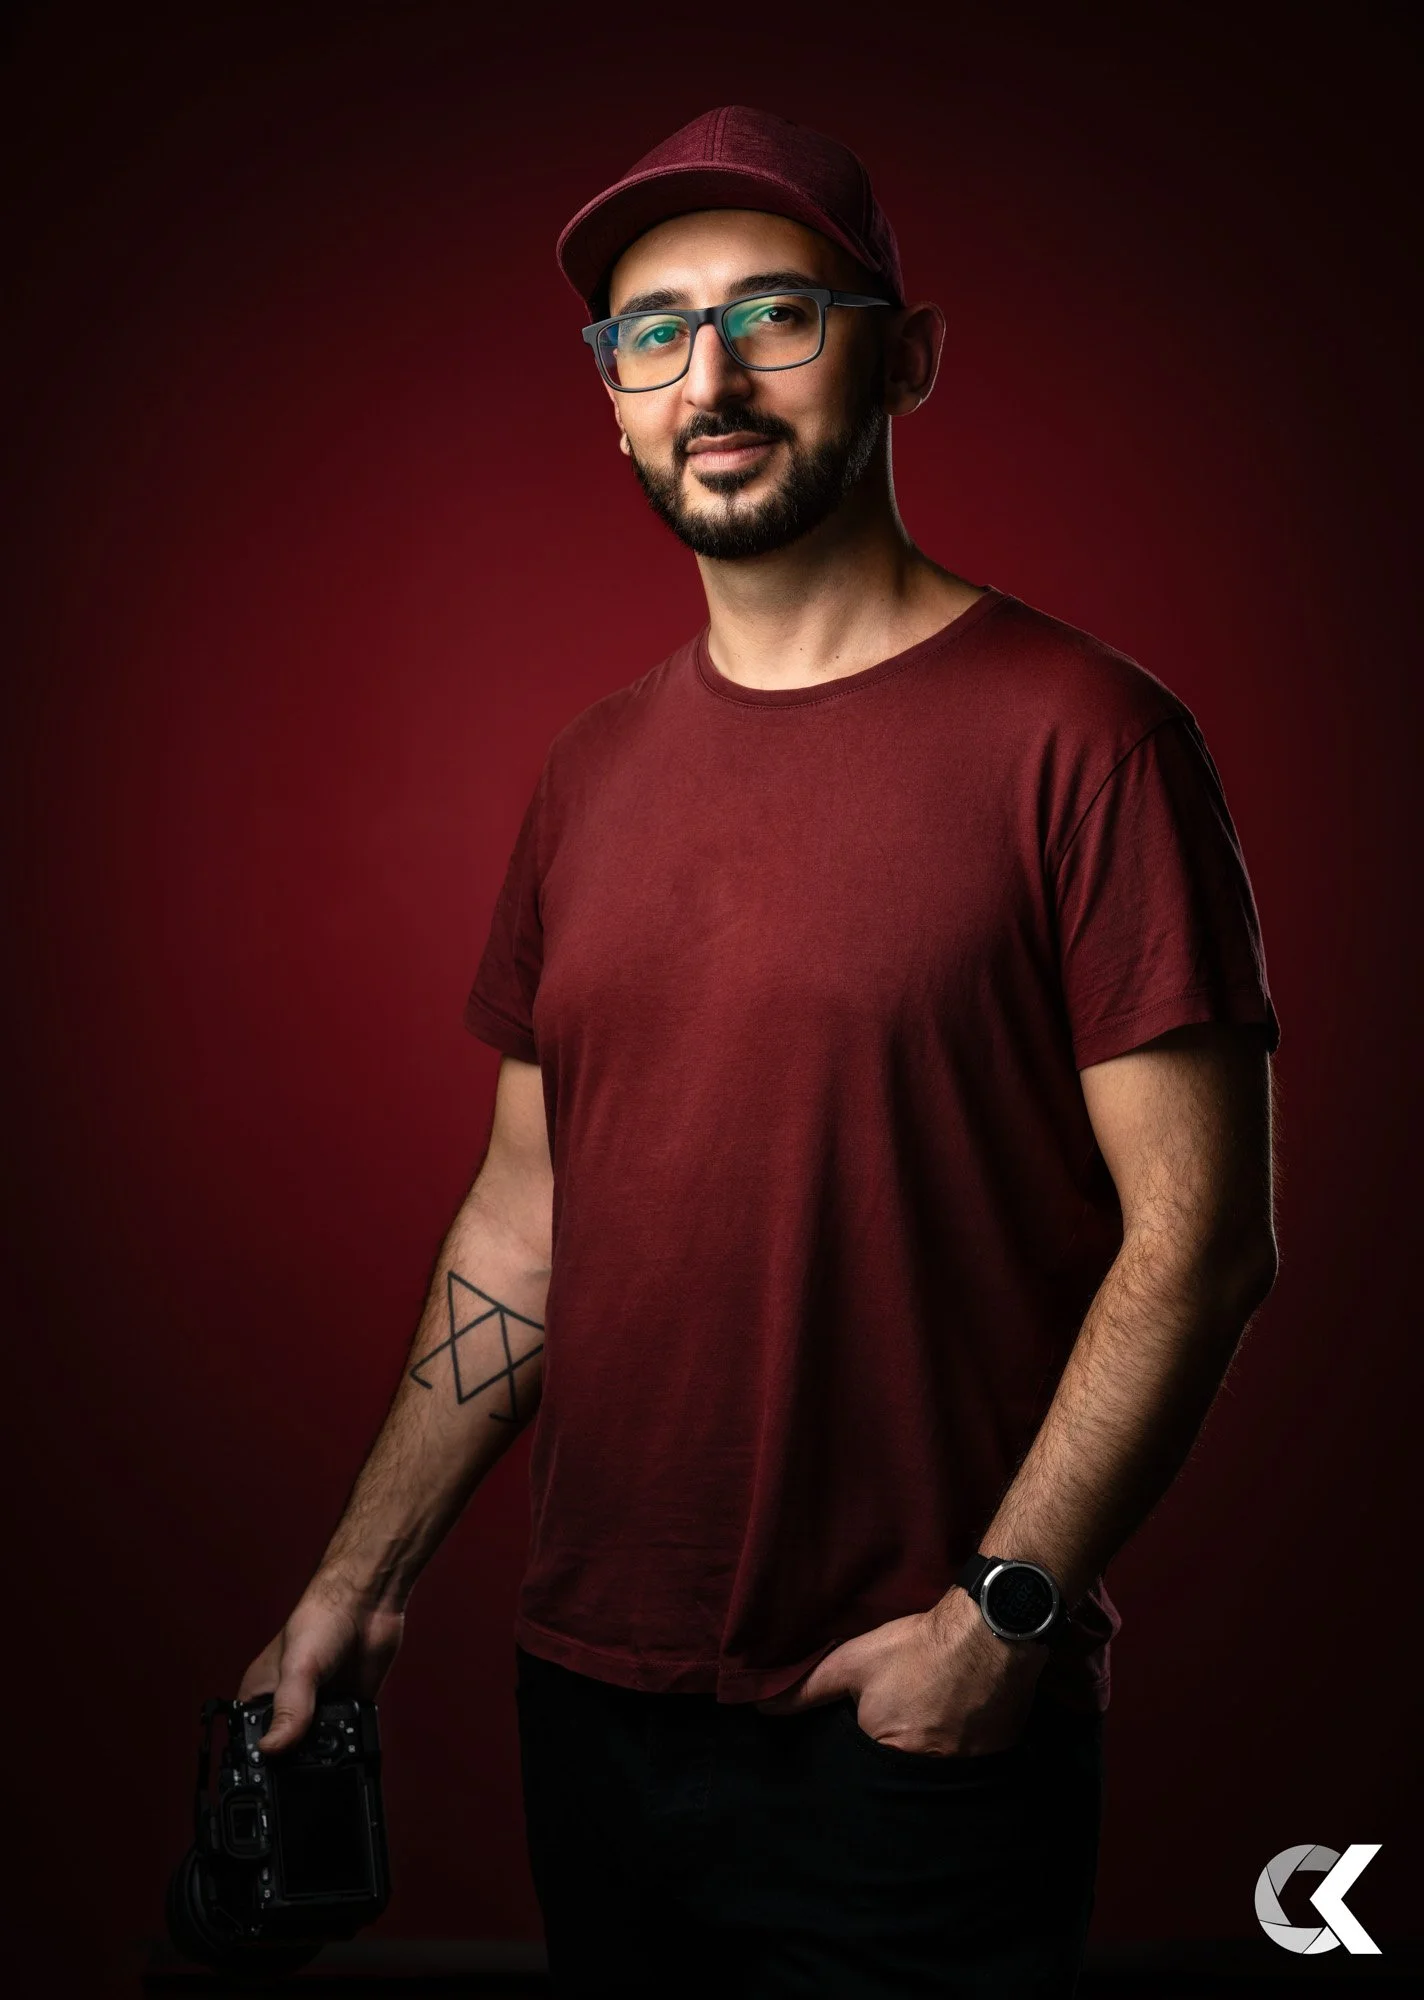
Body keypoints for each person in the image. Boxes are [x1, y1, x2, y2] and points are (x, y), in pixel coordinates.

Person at [238, 105, 1282, 1998]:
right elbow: (522, 1221)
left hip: (914, 1726)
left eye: (776, 315)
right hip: (597, 1719)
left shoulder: (1090, 741)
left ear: (909, 353)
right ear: (615, 403)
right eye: (654, 332)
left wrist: (1007, 1618)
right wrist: (356, 1585)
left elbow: (1201, 1241)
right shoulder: (588, 775)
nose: (709, 374)